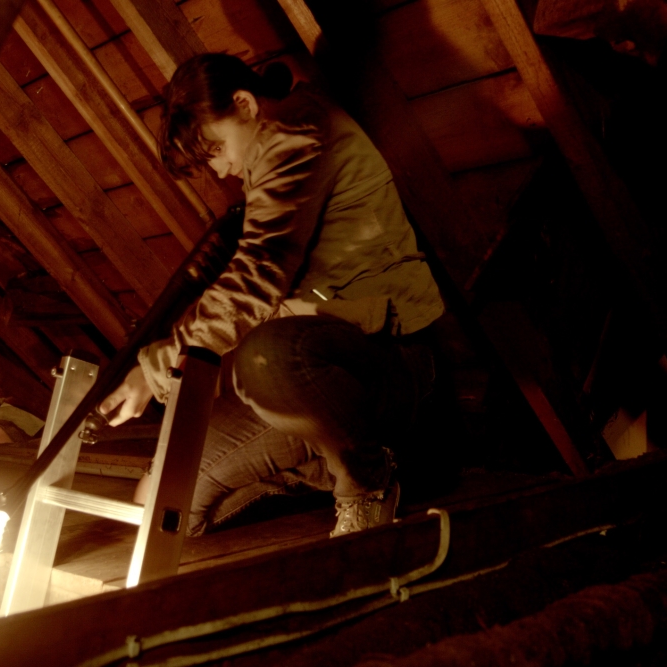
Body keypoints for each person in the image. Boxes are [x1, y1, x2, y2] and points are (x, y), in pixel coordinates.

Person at [96, 54, 444, 538]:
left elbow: (256, 278)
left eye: (217, 148)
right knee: (166, 506)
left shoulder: (296, 137)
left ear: (244, 104)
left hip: (380, 361)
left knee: (263, 357)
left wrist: (154, 371)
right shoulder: (276, 143)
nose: (221, 169)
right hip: (318, 365)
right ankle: (338, 463)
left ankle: (367, 482)